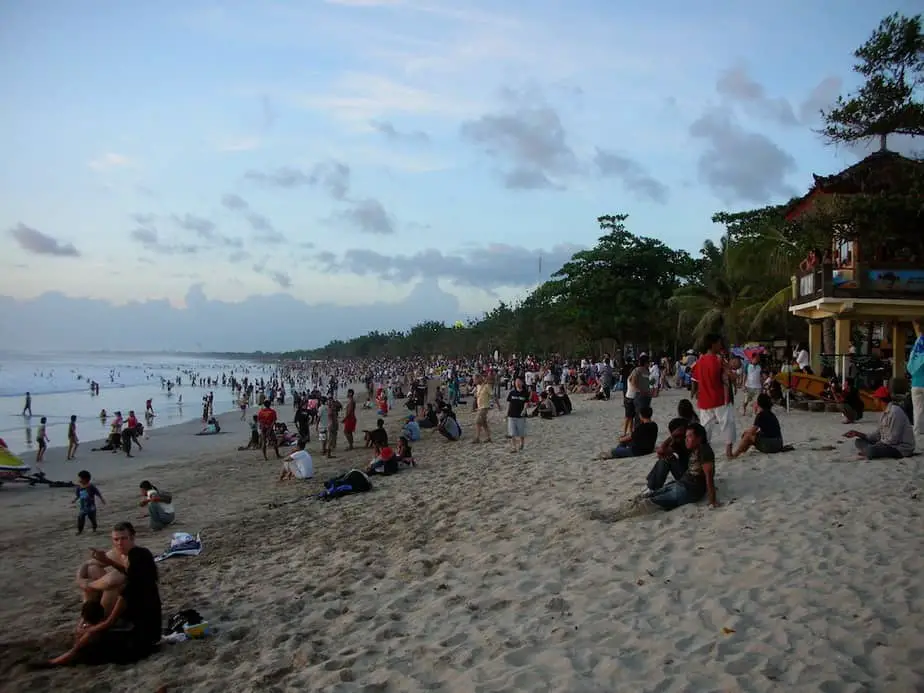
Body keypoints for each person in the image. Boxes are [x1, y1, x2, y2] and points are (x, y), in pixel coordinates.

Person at [51, 534, 162, 666]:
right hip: (152, 636)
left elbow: (109, 622)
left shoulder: (129, 590)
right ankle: (70, 653)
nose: (125, 562)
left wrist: (87, 631)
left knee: (92, 636)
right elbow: (126, 571)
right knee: (94, 629)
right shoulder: (148, 582)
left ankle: (61, 659)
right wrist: (107, 561)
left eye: (127, 560)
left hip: (137, 643)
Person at [691, 333, 736, 458]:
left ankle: (703, 451)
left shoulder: (698, 362)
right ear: (713, 344)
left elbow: (695, 381)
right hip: (720, 398)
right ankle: (728, 452)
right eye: (719, 343)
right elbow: (732, 377)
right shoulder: (719, 360)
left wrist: (694, 394)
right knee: (728, 424)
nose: (721, 345)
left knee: (705, 427)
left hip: (704, 400)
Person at [844, 384, 915, 459]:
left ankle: (868, 451)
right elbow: (877, 435)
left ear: (880, 399)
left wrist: (876, 446)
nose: (874, 401)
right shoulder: (884, 413)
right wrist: (857, 433)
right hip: (887, 444)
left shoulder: (895, 412)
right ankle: (868, 450)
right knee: (858, 441)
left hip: (900, 448)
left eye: (875, 399)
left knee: (871, 450)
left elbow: (892, 440)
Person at [644, 418, 691, 494]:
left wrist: (672, 436)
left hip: (689, 477)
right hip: (685, 473)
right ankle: (651, 486)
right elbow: (660, 452)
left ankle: (652, 487)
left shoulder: (685, 441)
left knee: (665, 460)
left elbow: (661, 451)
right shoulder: (680, 440)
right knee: (666, 458)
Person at [730, 394, 785, 458]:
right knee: (751, 435)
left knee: (747, 436)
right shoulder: (771, 414)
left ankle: (735, 454)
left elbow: (751, 432)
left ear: (759, 404)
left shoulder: (760, 415)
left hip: (771, 445)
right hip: (779, 444)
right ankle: (742, 451)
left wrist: (746, 433)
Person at [73, 470, 106, 535]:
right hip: (83, 507)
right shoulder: (79, 487)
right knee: (80, 518)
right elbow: (78, 495)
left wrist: (102, 499)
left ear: (86, 479)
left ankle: (94, 528)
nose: (79, 479)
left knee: (92, 518)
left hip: (91, 507)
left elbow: (97, 493)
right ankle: (80, 530)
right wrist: (74, 500)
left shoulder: (91, 486)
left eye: (80, 478)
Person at [506, 376, 529, 453]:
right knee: (512, 433)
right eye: (516, 382)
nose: (517, 383)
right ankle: (514, 447)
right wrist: (507, 413)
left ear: (522, 383)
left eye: (519, 382)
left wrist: (524, 410)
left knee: (521, 432)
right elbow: (509, 404)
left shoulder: (525, 393)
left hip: (520, 415)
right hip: (512, 414)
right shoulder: (512, 393)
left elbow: (526, 403)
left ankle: (522, 443)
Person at [909, 318, 924, 437]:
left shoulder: (918, 344)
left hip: (916, 383)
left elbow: (910, 365)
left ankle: (918, 431)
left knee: (918, 410)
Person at [473, 374, 493, 444]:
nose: (474, 381)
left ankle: (477, 438)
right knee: (484, 423)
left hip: (484, 407)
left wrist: (498, 405)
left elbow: (493, 395)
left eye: (475, 379)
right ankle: (488, 437)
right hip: (480, 407)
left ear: (479, 378)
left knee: (477, 421)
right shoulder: (478, 386)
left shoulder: (487, 386)